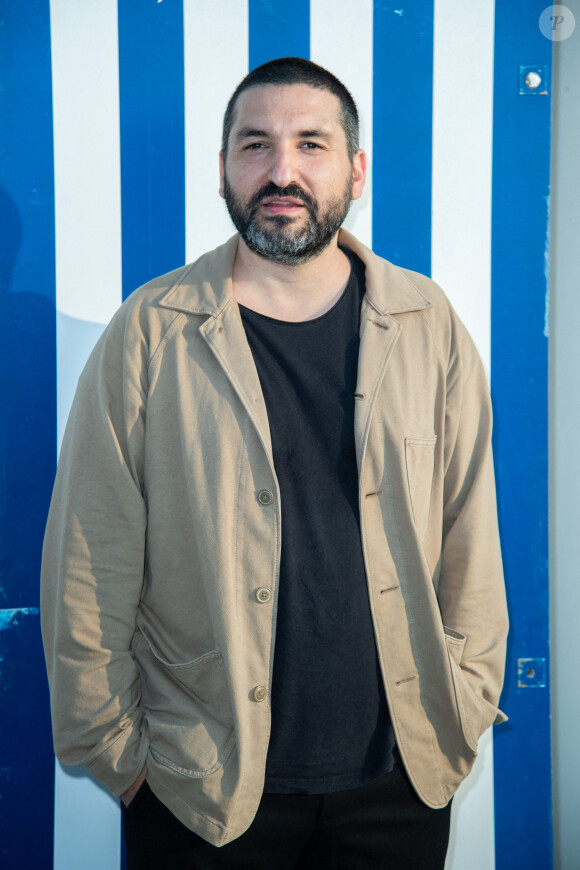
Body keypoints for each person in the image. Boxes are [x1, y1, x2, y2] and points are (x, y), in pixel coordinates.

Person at [41, 57, 508, 869]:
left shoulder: (428, 325)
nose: (281, 171)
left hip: (399, 784)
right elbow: (89, 555)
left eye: (311, 144)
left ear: (356, 171)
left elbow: (472, 533)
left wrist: (464, 698)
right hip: (200, 787)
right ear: (222, 168)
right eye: (255, 145)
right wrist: (121, 756)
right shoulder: (150, 334)